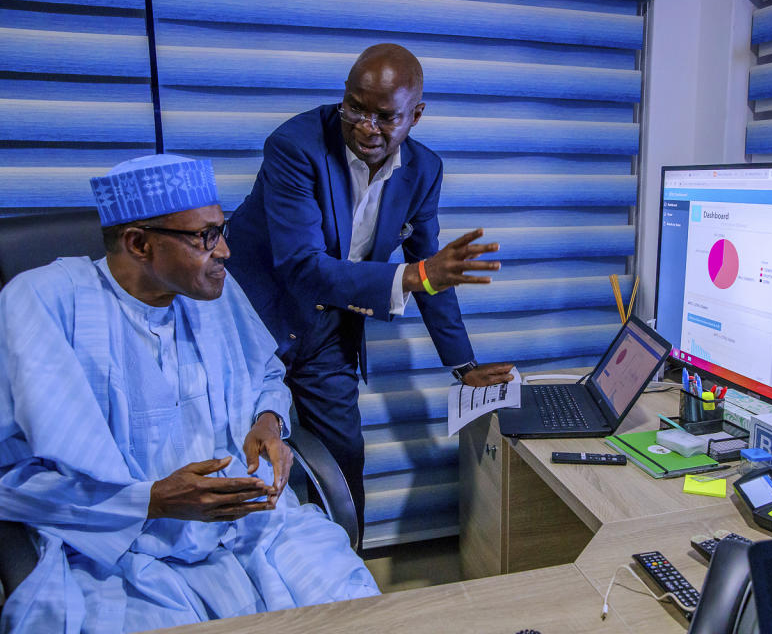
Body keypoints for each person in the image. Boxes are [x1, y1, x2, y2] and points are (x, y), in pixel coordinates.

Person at [0, 155, 378, 634]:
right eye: (205, 237)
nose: (224, 252)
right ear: (139, 243)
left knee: (354, 605)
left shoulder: (208, 291)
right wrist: (153, 501)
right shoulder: (44, 302)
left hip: (248, 524)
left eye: (222, 230)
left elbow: (265, 374)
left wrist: (268, 423)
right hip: (115, 547)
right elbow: (13, 476)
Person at [226, 43, 514, 540]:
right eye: (354, 108)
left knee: (342, 466)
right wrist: (414, 275)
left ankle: (347, 581)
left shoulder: (424, 171)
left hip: (326, 333)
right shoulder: (294, 146)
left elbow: (432, 275)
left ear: (415, 116)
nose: (365, 126)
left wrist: (463, 365)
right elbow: (301, 266)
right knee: (244, 464)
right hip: (251, 326)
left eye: (384, 116)